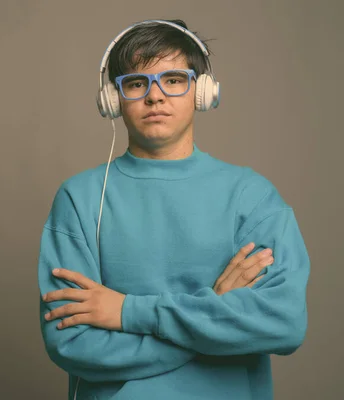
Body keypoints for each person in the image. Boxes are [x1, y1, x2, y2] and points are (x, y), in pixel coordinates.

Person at [37, 19, 310, 400]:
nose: (155, 96)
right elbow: (72, 342)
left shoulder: (252, 196)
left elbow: (283, 323)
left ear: (201, 91)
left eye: (174, 79)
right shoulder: (80, 199)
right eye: (136, 83)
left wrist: (128, 312)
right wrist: (212, 315)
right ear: (113, 99)